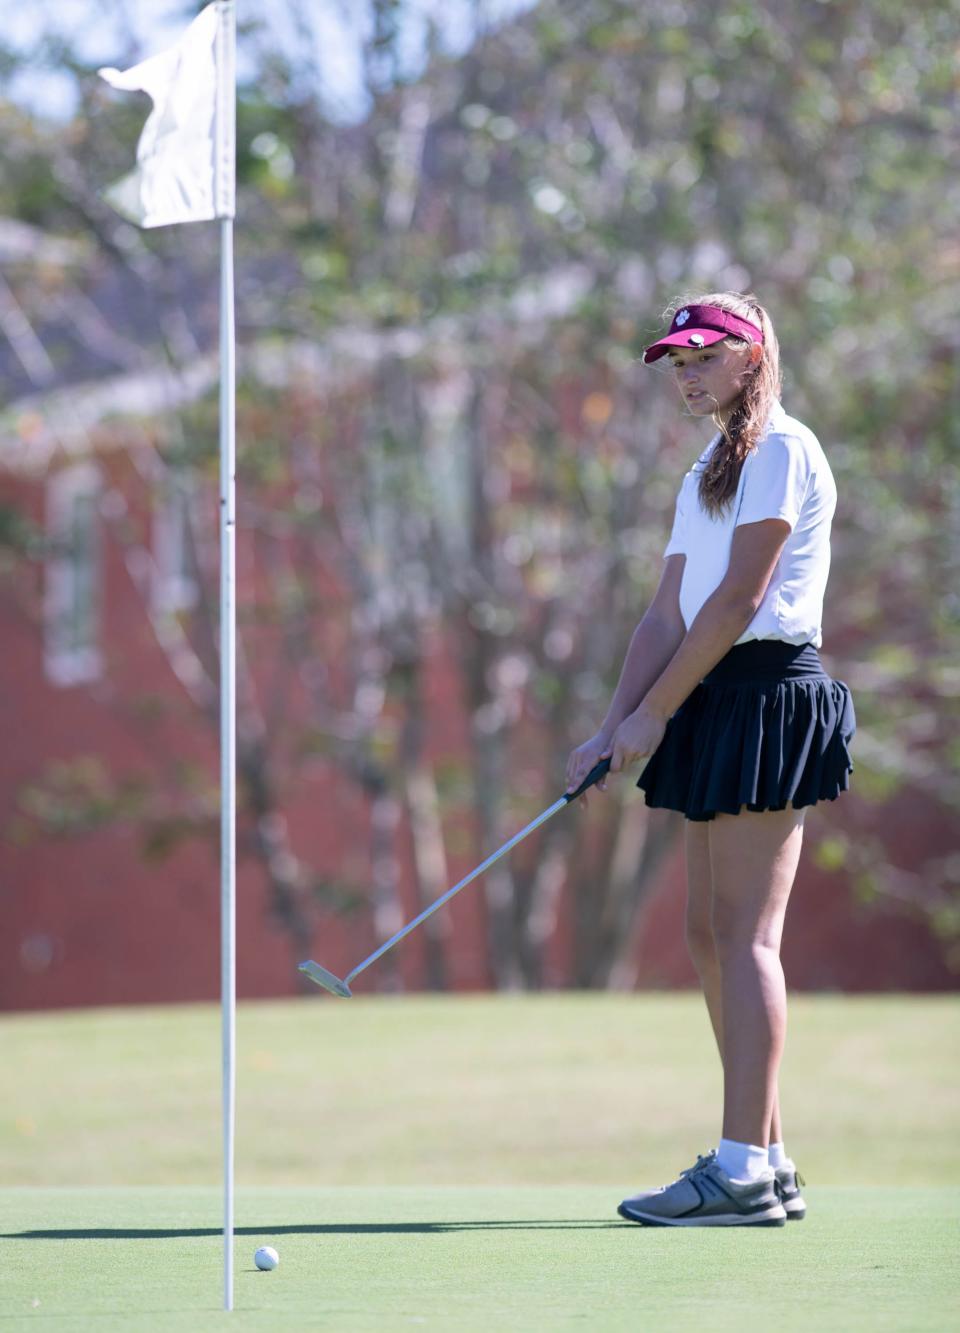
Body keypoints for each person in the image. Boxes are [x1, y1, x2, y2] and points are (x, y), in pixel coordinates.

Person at [565, 293, 855, 1227]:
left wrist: (657, 709)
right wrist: (612, 724)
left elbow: (738, 601)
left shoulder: (781, 448)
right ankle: (765, 1156)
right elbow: (666, 612)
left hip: (766, 689)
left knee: (746, 936)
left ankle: (737, 1174)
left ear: (752, 355)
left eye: (702, 358)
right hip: (712, 689)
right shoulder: (708, 467)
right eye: (675, 363)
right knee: (706, 931)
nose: (686, 376)